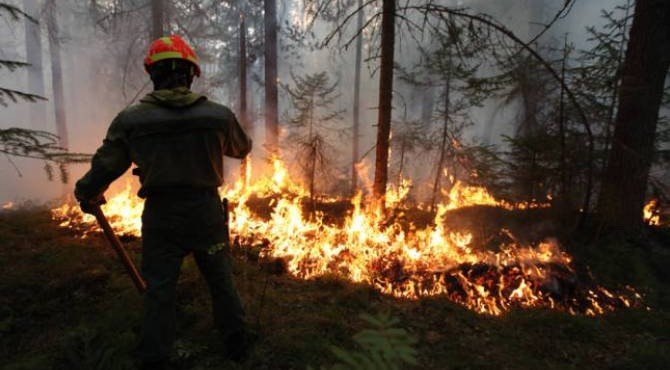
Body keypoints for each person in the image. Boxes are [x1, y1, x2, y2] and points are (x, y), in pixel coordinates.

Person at [74, 35, 253, 369]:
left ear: (153, 75)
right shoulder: (217, 116)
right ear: (190, 74)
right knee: (221, 281)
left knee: (159, 289)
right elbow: (240, 148)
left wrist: (86, 191)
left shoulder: (132, 120)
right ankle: (238, 347)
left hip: (162, 216)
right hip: (206, 214)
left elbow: (107, 165)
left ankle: (154, 357)